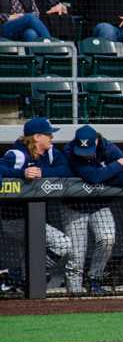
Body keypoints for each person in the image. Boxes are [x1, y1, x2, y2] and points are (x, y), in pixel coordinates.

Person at [61, 124, 123, 295]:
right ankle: (74, 290)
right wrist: (117, 166)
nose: (85, 153)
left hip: (99, 205)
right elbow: (93, 176)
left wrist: (102, 176)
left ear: (96, 142)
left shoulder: (109, 148)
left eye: (88, 148)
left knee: (107, 239)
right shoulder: (70, 150)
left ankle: (94, 279)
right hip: (74, 206)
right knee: (76, 253)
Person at [0, 118, 75, 294]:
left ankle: (15, 279)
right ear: (37, 137)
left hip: (34, 217)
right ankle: (18, 274)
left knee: (29, 255)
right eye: (48, 134)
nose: (52, 137)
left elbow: (66, 170)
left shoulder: (49, 153)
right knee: (63, 244)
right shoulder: (17, 154)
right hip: (15, 218)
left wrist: (43, 172)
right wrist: (21, 173)